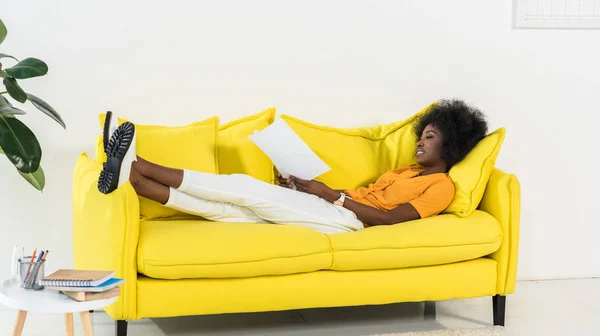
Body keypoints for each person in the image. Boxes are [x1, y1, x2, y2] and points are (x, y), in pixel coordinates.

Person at [97, 99, 488, 234]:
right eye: (422, 135)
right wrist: (304, 188)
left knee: (242, 186)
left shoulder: (442, 187)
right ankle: (132, 180)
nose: (421, 141)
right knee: (231, 212)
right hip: (333, 211)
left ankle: (137, 163)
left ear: (452, 144)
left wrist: (330, 195)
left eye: (431, 137)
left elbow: (389, 221)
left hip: (350, 224)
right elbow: (357, 196)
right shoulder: (407, 172)